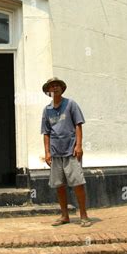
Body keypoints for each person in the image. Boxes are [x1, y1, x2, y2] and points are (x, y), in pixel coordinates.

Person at [40, 77, 92, 227]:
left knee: (78, 183)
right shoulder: (47, 110)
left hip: (71, 150)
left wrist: (79, 145)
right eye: (52, 86)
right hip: (55, 153)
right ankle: (65, 216)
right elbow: (46, 133)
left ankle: (83, 215)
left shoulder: (70, 104)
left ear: (62, 89)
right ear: (48, 91)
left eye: (57, 86)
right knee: (59, 185)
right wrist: (47, 153)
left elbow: (78, 124)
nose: (55, 88)